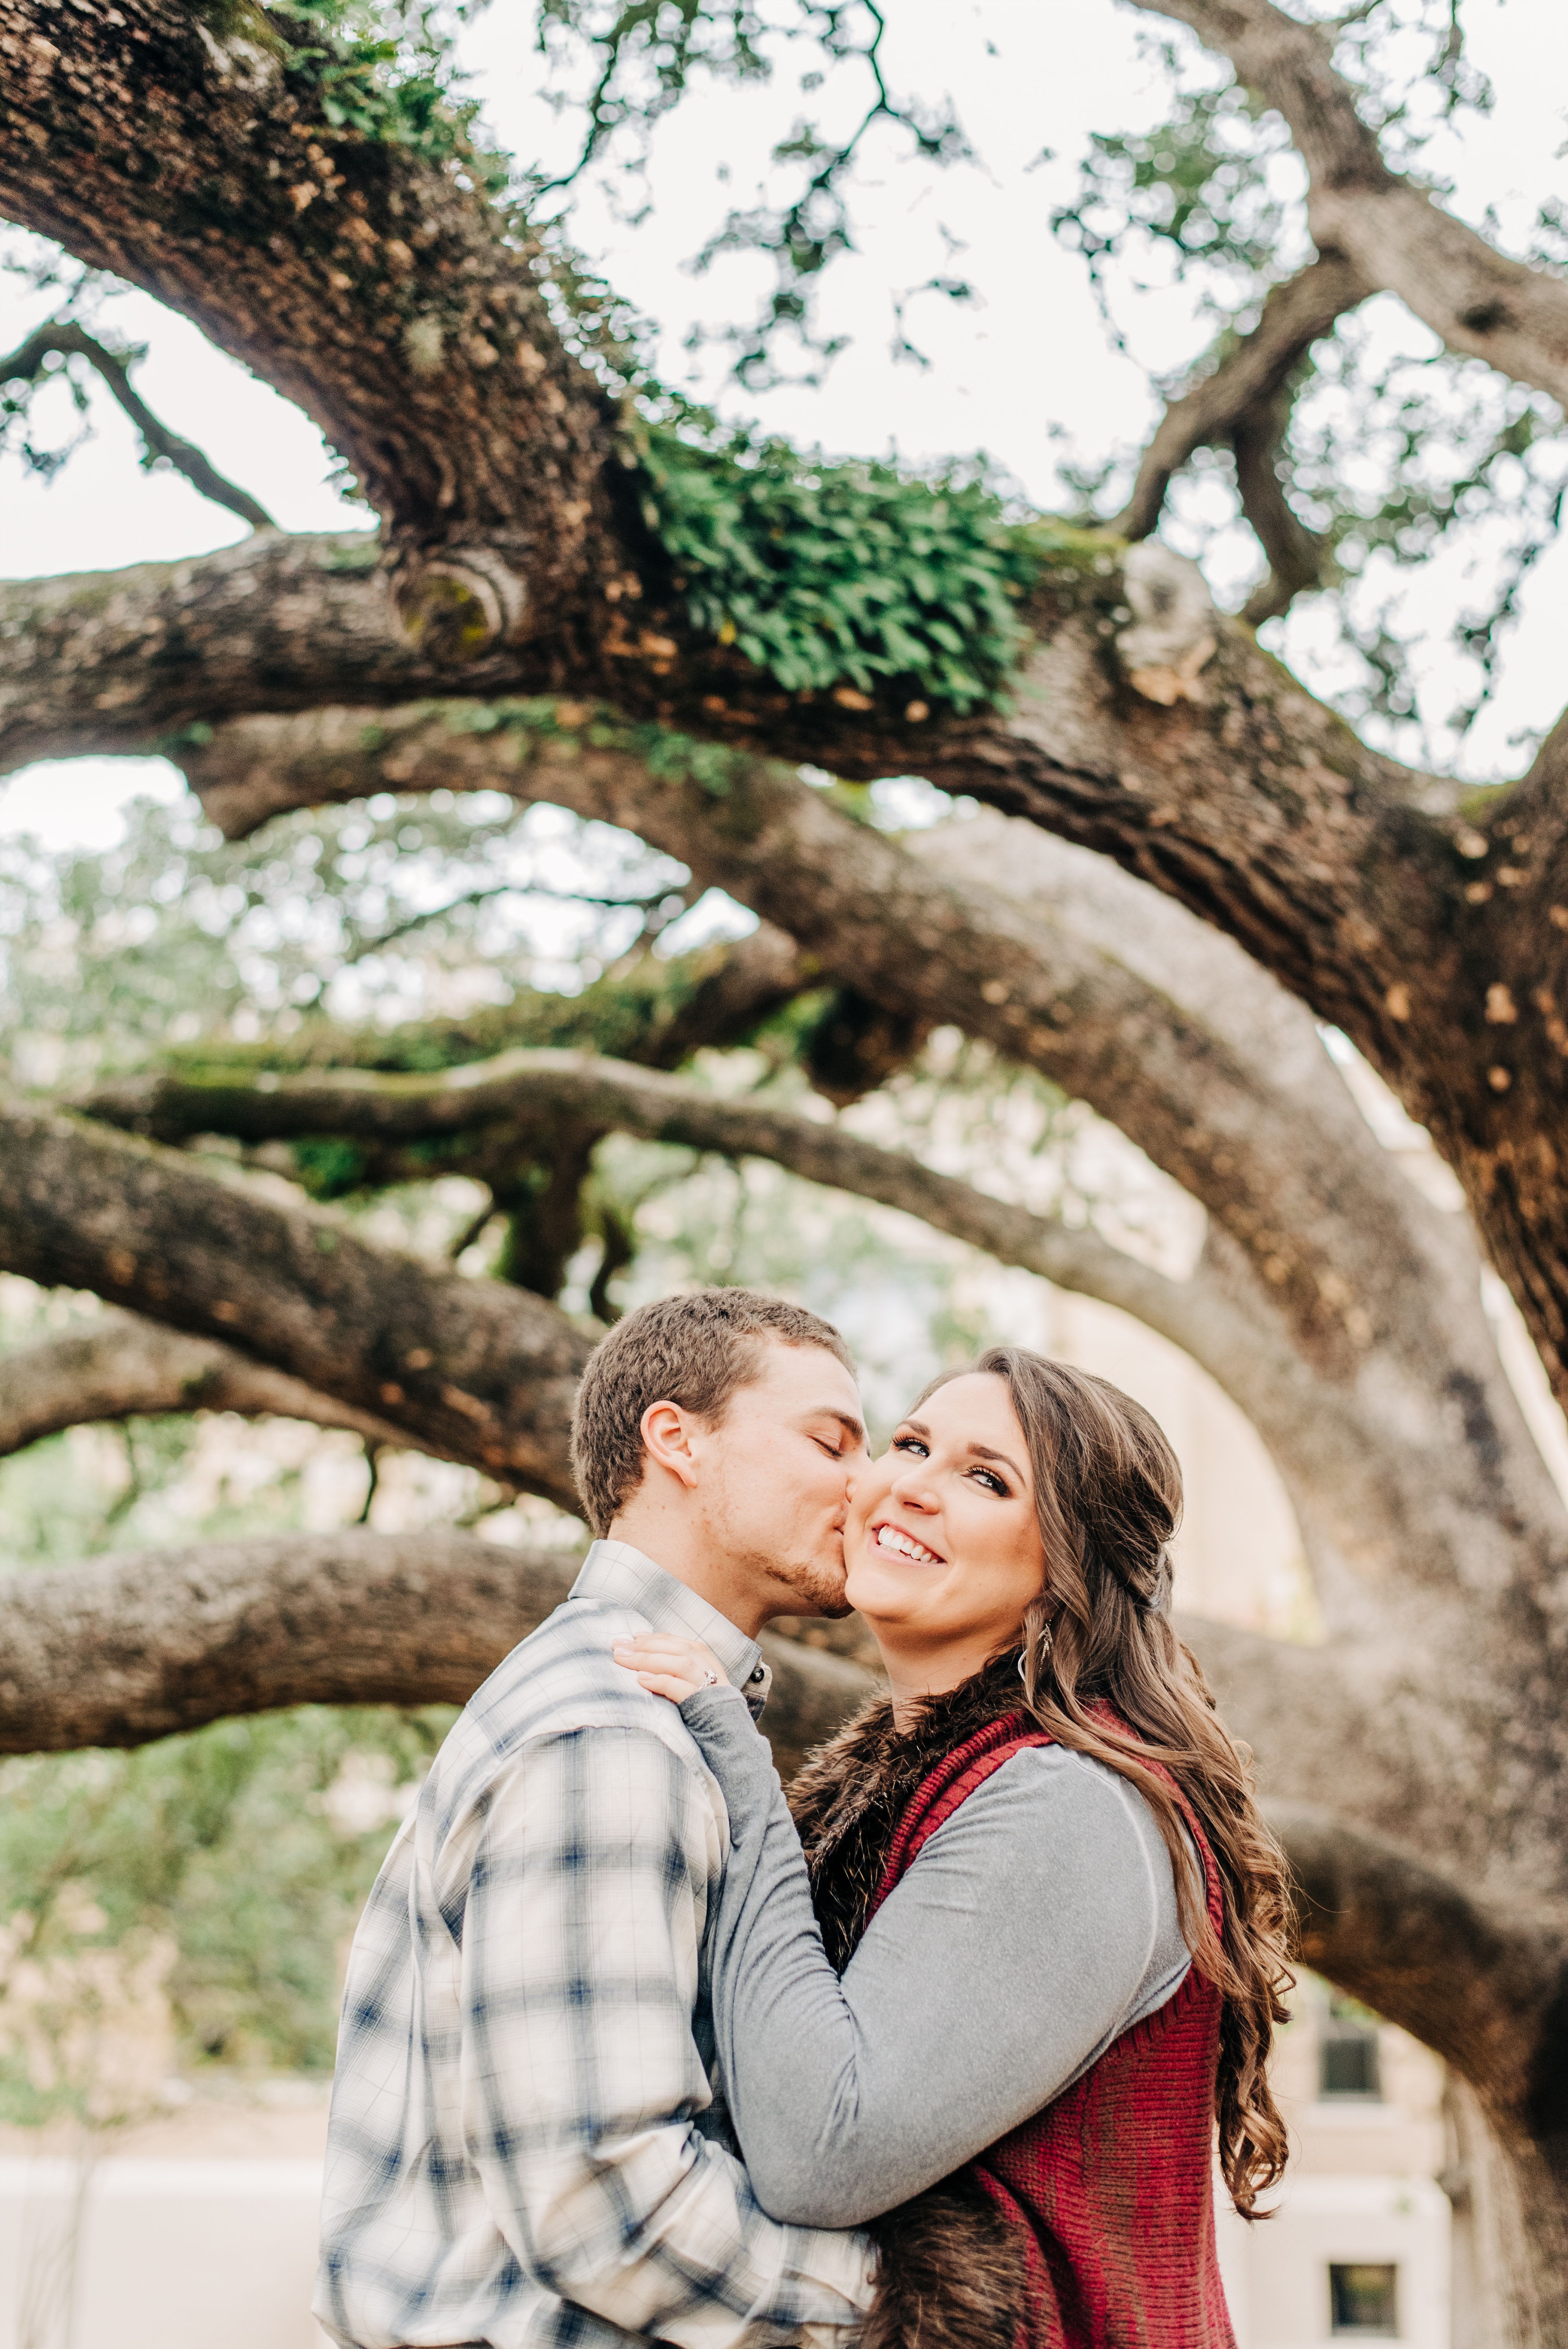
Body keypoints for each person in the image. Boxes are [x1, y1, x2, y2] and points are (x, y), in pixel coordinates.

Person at [616, 1347, 1295, 2349]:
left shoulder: (1069, 1804)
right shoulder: (937, 1778)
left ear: (1070, 1565)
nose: (912, 1487)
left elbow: (821, 2153)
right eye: (912, 1443)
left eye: (986, 1479)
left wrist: (742, 1778)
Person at [314, 1288, 879, 2349]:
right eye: (829, 1441)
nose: (868, 1485)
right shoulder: (611, 1732)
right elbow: (605, 2208)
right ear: (677, 1440)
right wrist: (929, 2305)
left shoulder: (644, 1709)